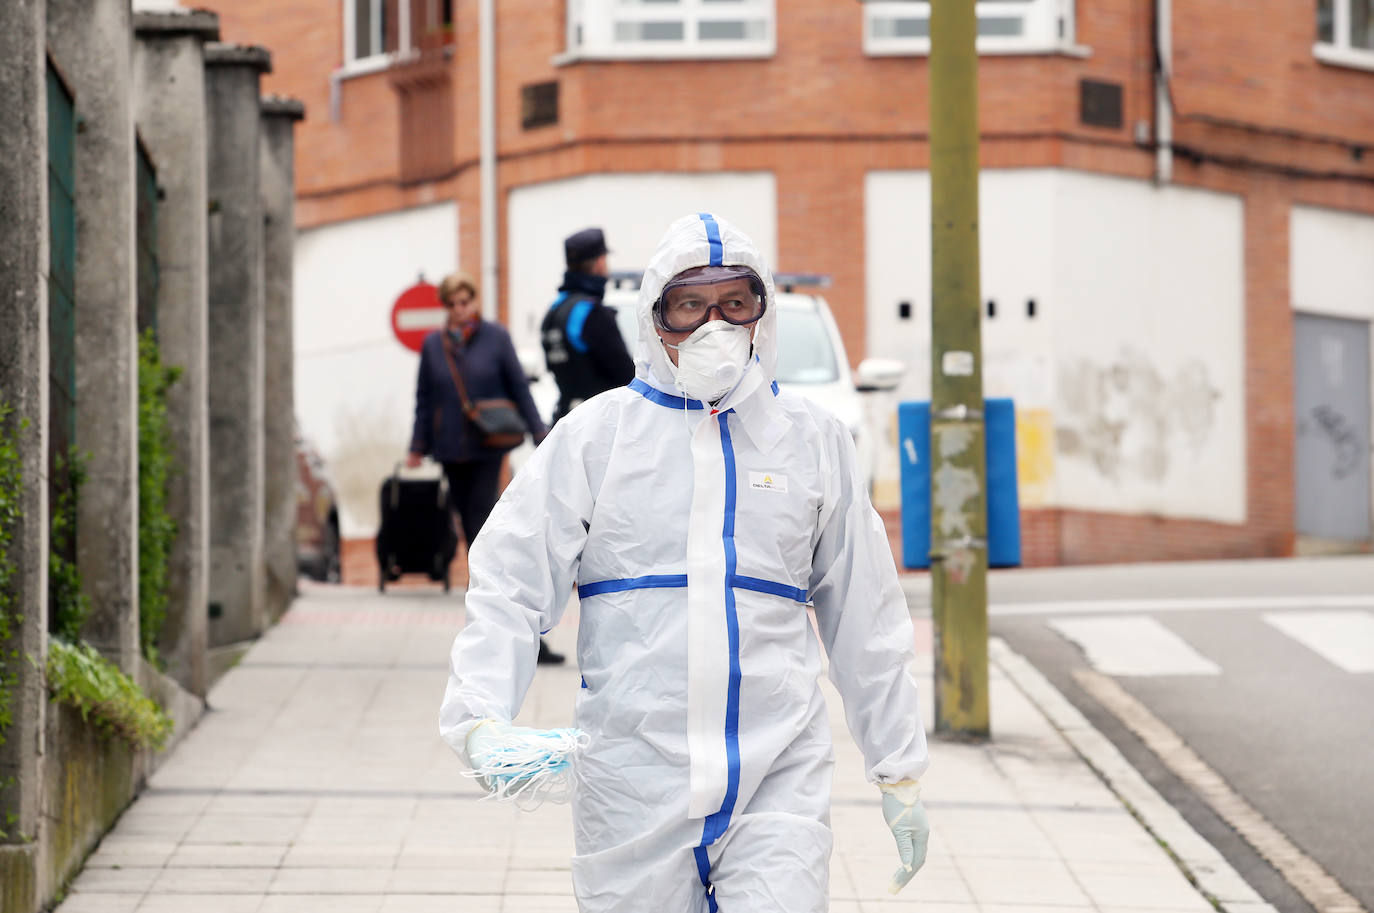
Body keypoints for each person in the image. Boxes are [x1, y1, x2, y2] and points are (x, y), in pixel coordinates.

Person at [439, 214, 931, 911]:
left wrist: (899, 765)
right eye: (689, 305)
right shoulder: (596, 439)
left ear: (762, 312)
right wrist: (479, 713)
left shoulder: (811, 441)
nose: (715, 326)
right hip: (634, 783)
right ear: (654, 315)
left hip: (776, 780)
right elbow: (511, 583)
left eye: (736, 303)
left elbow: (865, 613)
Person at [406, 271, 564, 665]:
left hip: (488, 450)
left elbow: (517, 386)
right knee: (475, 536)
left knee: (484, 534)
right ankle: (500, 626)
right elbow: (425, 399)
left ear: (474, 301)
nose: (461, 310)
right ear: (446, 307)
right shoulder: (433, 345)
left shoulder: (495, 337)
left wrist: (538, 430)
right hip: (450, 452)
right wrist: (417, 446)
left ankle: (514, 629)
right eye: (453, 304)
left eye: (466, 301)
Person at [540, 227, 635, 424]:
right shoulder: (592, 313)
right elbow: (627, 377)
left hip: (566, 419)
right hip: (599, 425)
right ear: (600, 262)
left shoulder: (554, 311)